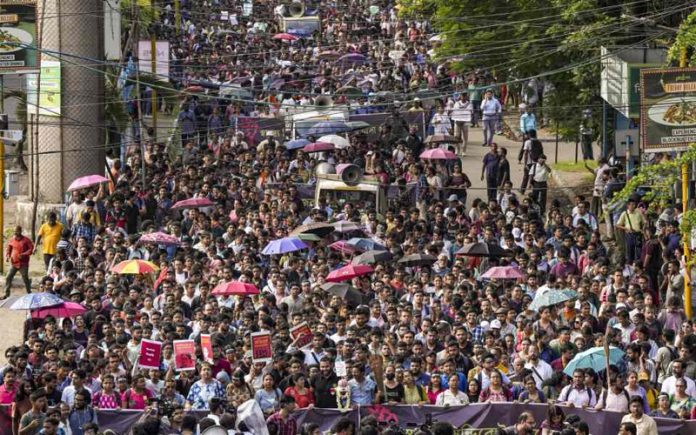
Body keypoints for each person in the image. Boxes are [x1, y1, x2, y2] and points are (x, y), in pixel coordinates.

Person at [3, 226, 34, 298]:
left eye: (17, 231)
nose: (16, 233)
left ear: (20, 231)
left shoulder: (26, 240)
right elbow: (9, 249)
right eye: (14, 231)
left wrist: (23, 254)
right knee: (8, 277)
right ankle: (7, 294)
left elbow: (31, 249)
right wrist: (7, 256)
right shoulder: (12, 240)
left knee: (25, 278)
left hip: (23, 264)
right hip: (14, 263)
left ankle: (29, 293)